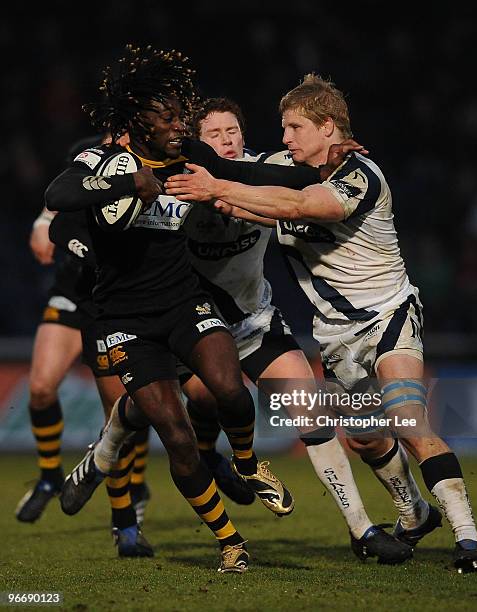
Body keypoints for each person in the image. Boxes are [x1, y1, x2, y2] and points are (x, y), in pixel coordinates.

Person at [165, 74, 477, 574]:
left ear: (326, 128)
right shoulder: (288, 172)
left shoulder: (361, 175)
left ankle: (469, 541)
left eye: (294, 127)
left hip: (387, 316)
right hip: (336, 335)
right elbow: (243, 189)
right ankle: (414, 513)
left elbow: (299, 206)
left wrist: (219, 187)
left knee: (408, 421)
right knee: (364, 438)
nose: (285, 139)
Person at [44, 45, 333, 572]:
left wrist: (323, 171)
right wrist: (129, 184)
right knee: (174, 433)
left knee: (229, 390)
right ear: (141, 124)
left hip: (184, 302)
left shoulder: (189, 159)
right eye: (170, 119)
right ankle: (229, 540)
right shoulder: (104, 160)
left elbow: (240, 173)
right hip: (124, 320)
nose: (182, 126)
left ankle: (246, 464)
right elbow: (61, 197)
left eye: (182, 117)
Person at [178, 96, 413, 564]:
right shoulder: (179, 185)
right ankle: (203, 459)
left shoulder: (267, 168)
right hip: (195, 329)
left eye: (233, 132)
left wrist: (339, 152)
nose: (226, 141)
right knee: (200, 401)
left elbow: (313, 173)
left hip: (254, 324)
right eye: (213, 135)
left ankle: (361, 529)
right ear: (196, 143)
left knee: (312, 414)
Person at [17, 137, 152, 554]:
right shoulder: (88, 153)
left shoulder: (156, 160)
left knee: (126, 411)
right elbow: (55, 206)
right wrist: (44, 226)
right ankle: (49, 476)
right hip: (75, 291)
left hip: (116, 300)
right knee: (40, 388)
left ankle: (129, 510)